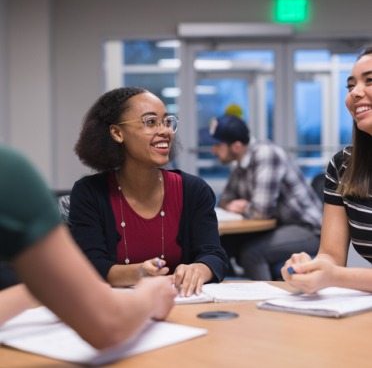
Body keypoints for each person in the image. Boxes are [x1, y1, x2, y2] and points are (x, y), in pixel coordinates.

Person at [0, 145, 176, 348]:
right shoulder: (9, 173)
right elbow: (110, 324)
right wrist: (152, 293)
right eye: (150, 122)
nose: (164, 131)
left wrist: (48, 288)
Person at [70, 87, 228, 297]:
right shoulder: (89, 193)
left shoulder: (193, 190)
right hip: (117, 311)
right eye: (151, 122)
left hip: (183, 308)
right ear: (117, 133)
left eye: (166, 121)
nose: (165, 131)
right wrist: (140, 272)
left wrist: (199, 269)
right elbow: (90, 266)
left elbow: (214, 255)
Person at [282, 46, 372, 293]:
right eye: (351, 85)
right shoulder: (343, 165)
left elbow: (335, 273)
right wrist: (309, 269)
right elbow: (330, 255)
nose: (355, 93)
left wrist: (336, 277)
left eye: (370, 80)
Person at [209, 113, 323, 280]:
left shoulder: (266, 154)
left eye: (218, 145)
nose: (213, 150)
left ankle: (262, 301)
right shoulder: (240, 162)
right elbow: (225, 199)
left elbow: (260, 212)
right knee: (220, 247)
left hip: (308, 229)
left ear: (237, 146)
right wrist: (233, 205)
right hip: (278, 226)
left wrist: (243, 207)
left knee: (252, 253)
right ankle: (228, 295)